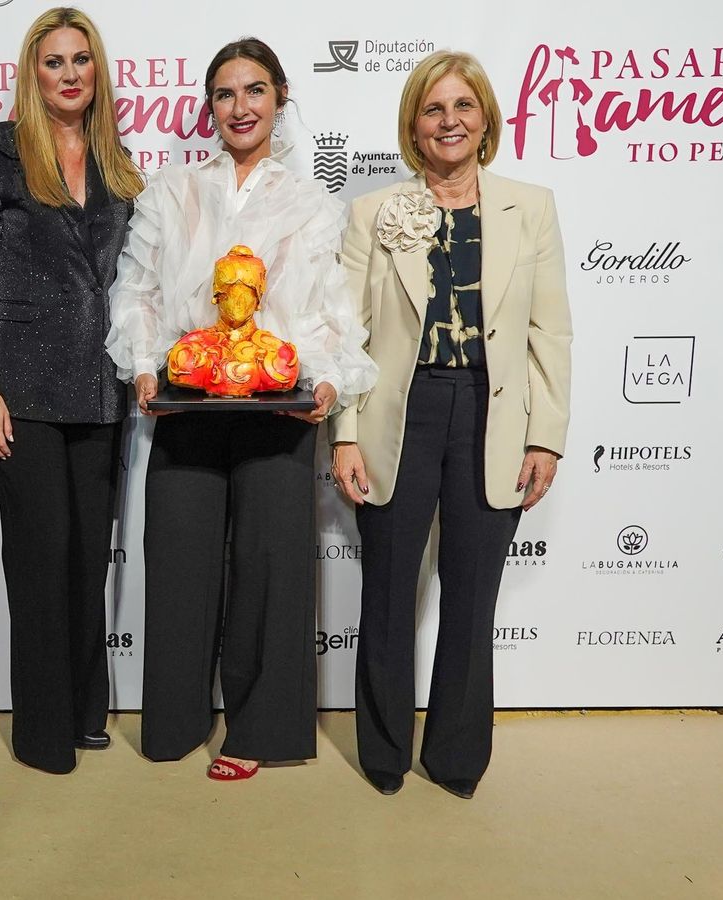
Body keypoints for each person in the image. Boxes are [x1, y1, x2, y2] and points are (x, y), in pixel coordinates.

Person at [106, 38, 377, 782]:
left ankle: (263, 728)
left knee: (272, 569)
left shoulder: (314, 203)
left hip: (277, 408)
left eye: (255, 91)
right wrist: (140, 367)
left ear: (280, 98)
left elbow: (326, 312)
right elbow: (136, 292)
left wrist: (323, 382)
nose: (241, 107)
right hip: (186, 404)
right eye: (225, 94)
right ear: (210, 108)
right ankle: (174, 720)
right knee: (181, 566)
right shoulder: (170, 191)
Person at [330, 49, 572, 799]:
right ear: (414, 125)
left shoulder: (529, 206)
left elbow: (549, 332)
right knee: (389, 589)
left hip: (493, 417)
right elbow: (346, 334)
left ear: (486, 119)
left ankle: (459, 757)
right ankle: (384, 751)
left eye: (463, 107)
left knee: (472, 595)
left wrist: (546, 434)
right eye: (434, 109)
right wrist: (342, 431)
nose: (450, 121)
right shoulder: (374, 212)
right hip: (398, 414)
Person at [0, 6, 143, 775]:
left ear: (97, 71)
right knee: (38, 555)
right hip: (20, 387)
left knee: (88, 555)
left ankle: (87, 709)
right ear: (34, 73)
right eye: (53, 61)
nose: (68, 74)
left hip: (101, 389)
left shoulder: (120, 165)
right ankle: (42, 731)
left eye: (80, 60)